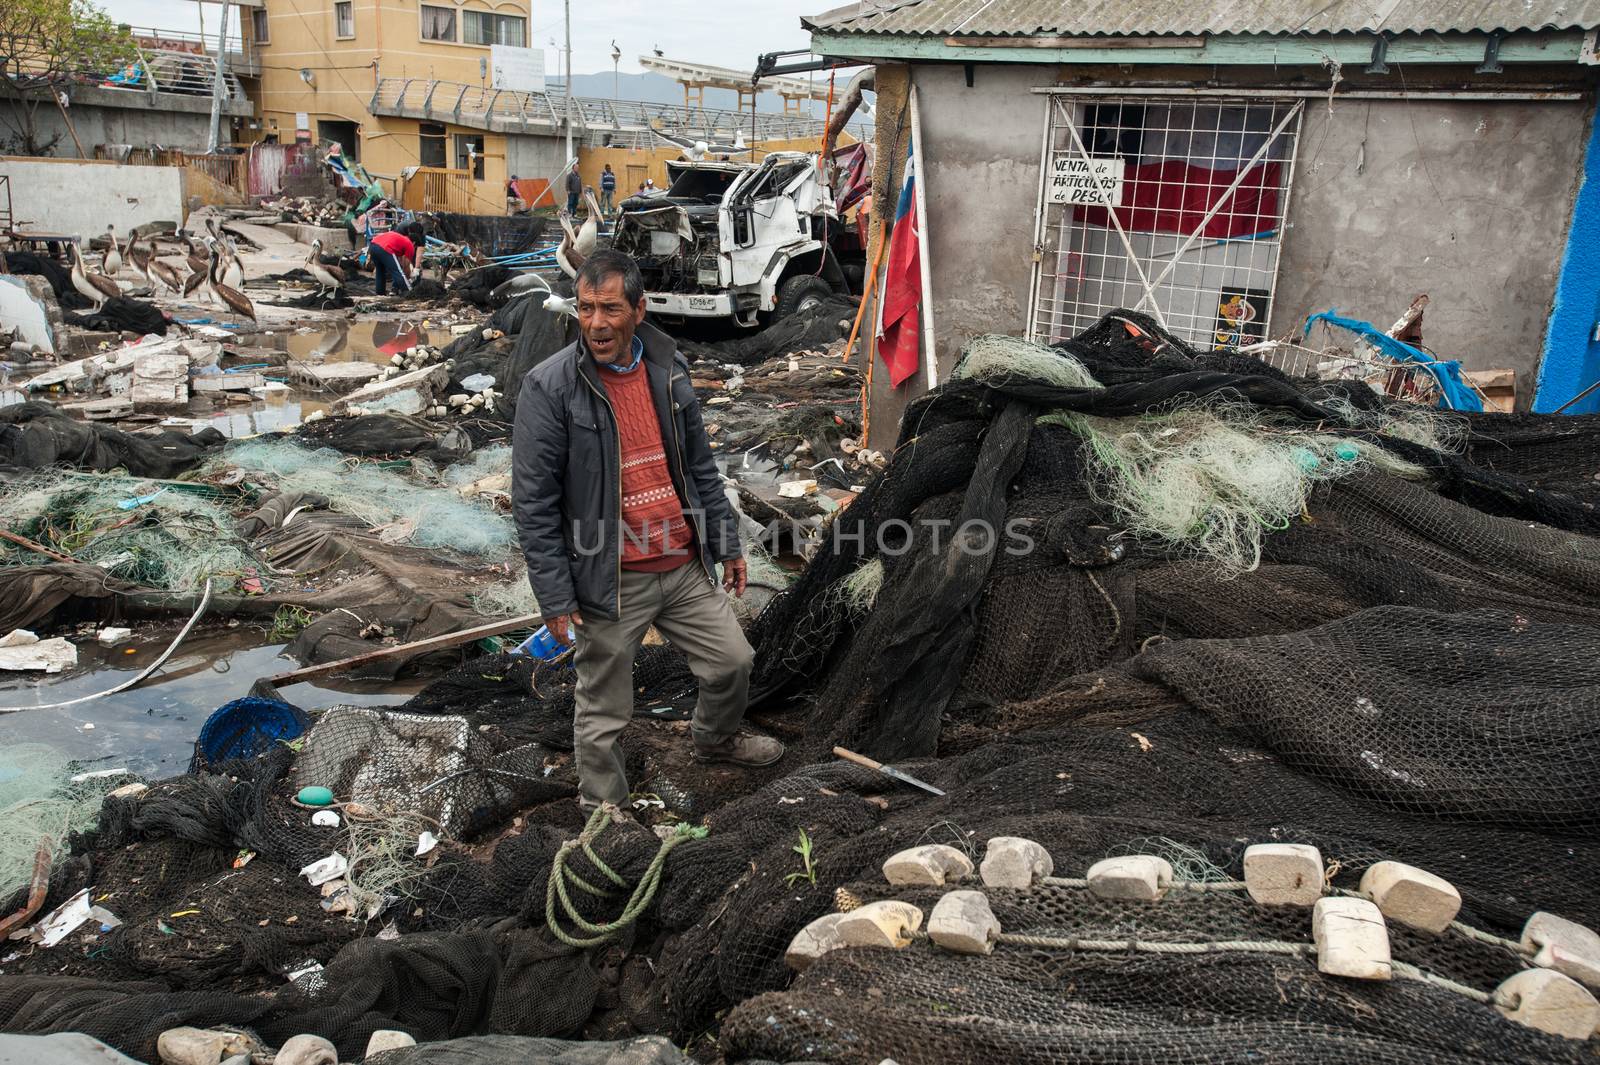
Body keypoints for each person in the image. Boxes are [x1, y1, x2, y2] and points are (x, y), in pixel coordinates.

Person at [512, 249, 783, 809]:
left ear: (639, 308)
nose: (595, 324)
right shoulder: (551, 387)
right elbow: (534, 504)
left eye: (610, 309)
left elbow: (700, 468)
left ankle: (714, 740)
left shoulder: (668, 368)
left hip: (682, 565)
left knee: (733, 661)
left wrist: (726, 542)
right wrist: (556, 596)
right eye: (585, 309)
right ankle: (603, 809)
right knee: (604, 706)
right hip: (611, 578)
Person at [369, 221, 423, 296]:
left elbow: (401, 260)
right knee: (398, 272)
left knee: (380, 271)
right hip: (384, 248)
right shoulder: (410, 244)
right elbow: (405, 266)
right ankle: (408, 292)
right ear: (414, 243)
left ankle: (380, 293)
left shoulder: (401, 238)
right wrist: (409, 277)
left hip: (373, 245)